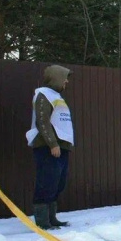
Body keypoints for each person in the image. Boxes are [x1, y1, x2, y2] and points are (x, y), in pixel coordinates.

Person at [25, 65, 74, 230]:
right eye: (65, 77)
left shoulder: (56, 96)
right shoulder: (43, 95)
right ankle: (42, 222)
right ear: (56, 78)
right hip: (48, 146)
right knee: (46, 182)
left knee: (57, 183)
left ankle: (52, 219)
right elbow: (42, 121)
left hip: (62, 146)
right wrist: (53, 144)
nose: (67, 81)